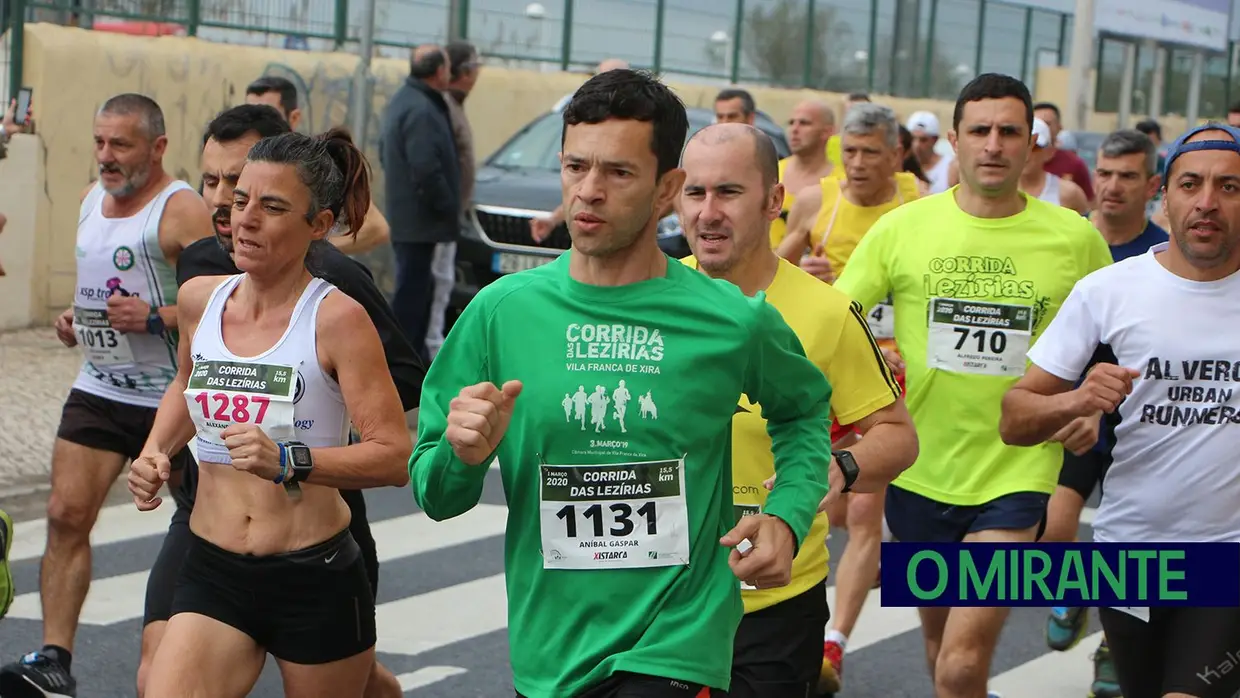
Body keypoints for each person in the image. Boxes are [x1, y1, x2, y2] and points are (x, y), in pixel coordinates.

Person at [410, 68, 837, 698]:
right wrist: (462, 455)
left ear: (667, 188)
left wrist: (785, 516)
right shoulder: (501, 312)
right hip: (550, 648)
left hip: (677, 641)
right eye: (575, 167)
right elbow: (436, 492)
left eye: (618, 172)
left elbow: (804, 414)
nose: (588, 192)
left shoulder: (731, 319)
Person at [833, 73, 1113, 698]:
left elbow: (1123, 336)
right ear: (954, 140)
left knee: (961, 662)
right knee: (942, 659)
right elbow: (834, 323)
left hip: (1018, 472)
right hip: (917, 471)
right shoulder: (903, 229)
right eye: (980, 131)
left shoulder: (1073, 237)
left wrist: (1093, 401)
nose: (994, 144)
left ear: (1031, 144)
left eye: (1009, 131)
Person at [134, 104, 426, 698]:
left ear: (318, 225)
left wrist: (291, 461)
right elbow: (187, 387)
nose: (245, 220)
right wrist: (155, 452)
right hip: (213, 565)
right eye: (242, 201)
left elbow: (395, 457)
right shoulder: (198, 300)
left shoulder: (338, 318)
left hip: (312, 573)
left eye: (271, 208)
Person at [677, 121, 919, 698]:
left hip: (775, 601)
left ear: (774, 202)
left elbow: (897, 436)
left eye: (729, 193)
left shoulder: (827, 312)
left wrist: (840, 467)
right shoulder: (648, 300)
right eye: (694, 192)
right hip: (662, 596)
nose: (708, 212)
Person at [999, 121, 1240, 698]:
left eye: (1229, 187)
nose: (1207, 202)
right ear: (1167, 194)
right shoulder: (1108, 291)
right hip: (1128, 554)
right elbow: (1014, 417)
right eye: (1191, 184)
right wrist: (1079, 399)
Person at [0, 93, 215, 698]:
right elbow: (100, 291)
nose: (106, 156)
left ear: (158, 146)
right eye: (99, 142)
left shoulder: (182, 212)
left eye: (120, 144)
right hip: (99, 386)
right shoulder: (89, 200)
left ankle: (204, 645)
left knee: (201, 526)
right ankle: (54, 658)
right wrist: (76, 319)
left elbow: (224, 307)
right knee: (66, 515)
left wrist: (155, 316)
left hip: (172, 400)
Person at [1037, 127, 1167, 698]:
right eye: (1105, 174)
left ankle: (1116, 642)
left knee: (1139, 546)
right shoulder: (1071, 244)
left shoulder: (1168, 250)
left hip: (1151, 424)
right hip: (1078, 413)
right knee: (1058, 526)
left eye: (1128, 177)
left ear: (1153, 186)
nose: (1112, 188)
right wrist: (1069, 400)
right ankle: (1076, 592)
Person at [245, 75, 391, 256]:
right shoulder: (241, 157)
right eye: (249, 115)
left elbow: (376, 229)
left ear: (294, 117)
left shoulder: (312, 163)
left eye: (268, 115)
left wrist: (308, 249)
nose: (256, 125)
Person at [380, 43, 461, 363]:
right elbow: (425, 167)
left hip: (411, 221)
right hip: (421, 224)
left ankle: (405, 365)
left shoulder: (406, 100)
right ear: (440, 71)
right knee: (413, 301)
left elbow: (387, 151)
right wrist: (446, 206)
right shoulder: (422, 109)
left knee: (414, 295)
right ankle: (404, 369)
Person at [426, 40, 481, 359]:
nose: (477, 75)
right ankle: (433, 347)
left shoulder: (453, 105)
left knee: (443, 281)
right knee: (439, 281)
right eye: (473, 68)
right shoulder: (444, 107)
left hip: (451, 216)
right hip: (441, 218)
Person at [769, 99, 835, 249]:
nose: (794, 129)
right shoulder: (770, 171)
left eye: (804, 123)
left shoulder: (841, 182)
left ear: (827, 132)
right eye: (791, 123)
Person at [1020, 117, 1089, 214]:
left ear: (1049, 152)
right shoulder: (999, 190)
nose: (1028, 154)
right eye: (1023, 146)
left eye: (1035, 148)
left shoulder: (1069, 193)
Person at [1033, 101, 1096, 203]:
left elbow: (1090, 203)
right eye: (1036, 123)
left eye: (1047, 123)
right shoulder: (1017, 163)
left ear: (1059, 128)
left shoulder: (1074, 164)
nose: (1042, 128)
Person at [905, 111, 954, 193]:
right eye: (913, 138)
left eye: (923, 140)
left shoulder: (949, 166)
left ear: (935, 140)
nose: (916, 145)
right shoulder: (901, 166)